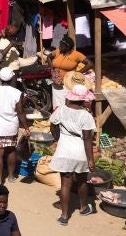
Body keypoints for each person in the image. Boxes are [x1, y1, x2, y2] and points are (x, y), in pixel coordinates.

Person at [49, 84, 97, 225]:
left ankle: (64, 216)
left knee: (65, 184)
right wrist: (91, 160)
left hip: (64, 151)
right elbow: (87, 139)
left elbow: (52, 124)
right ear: (83, 100)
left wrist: (57, 137)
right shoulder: (86, 116)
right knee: (82, 181)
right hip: (79, 152)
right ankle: (83, 208)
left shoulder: (61, 110)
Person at [0, 67, 29, 185]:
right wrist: (26, 127)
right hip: (12, 127)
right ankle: (11, 176)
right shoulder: (17, 93)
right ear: (12, 78)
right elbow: (20, 112)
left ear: (0, 78)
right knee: (11, 151)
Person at [47, 36, 88, 110]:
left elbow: (90, 64)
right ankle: (58, 116)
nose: (59, 47)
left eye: (61, 45)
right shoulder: (58, 52)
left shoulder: (76, 55)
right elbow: (49, 57)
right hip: (57, 84)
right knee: (57, 105)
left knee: (67, 105)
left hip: (68, 84)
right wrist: (52, 69)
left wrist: (77, 73)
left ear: (67, 47)